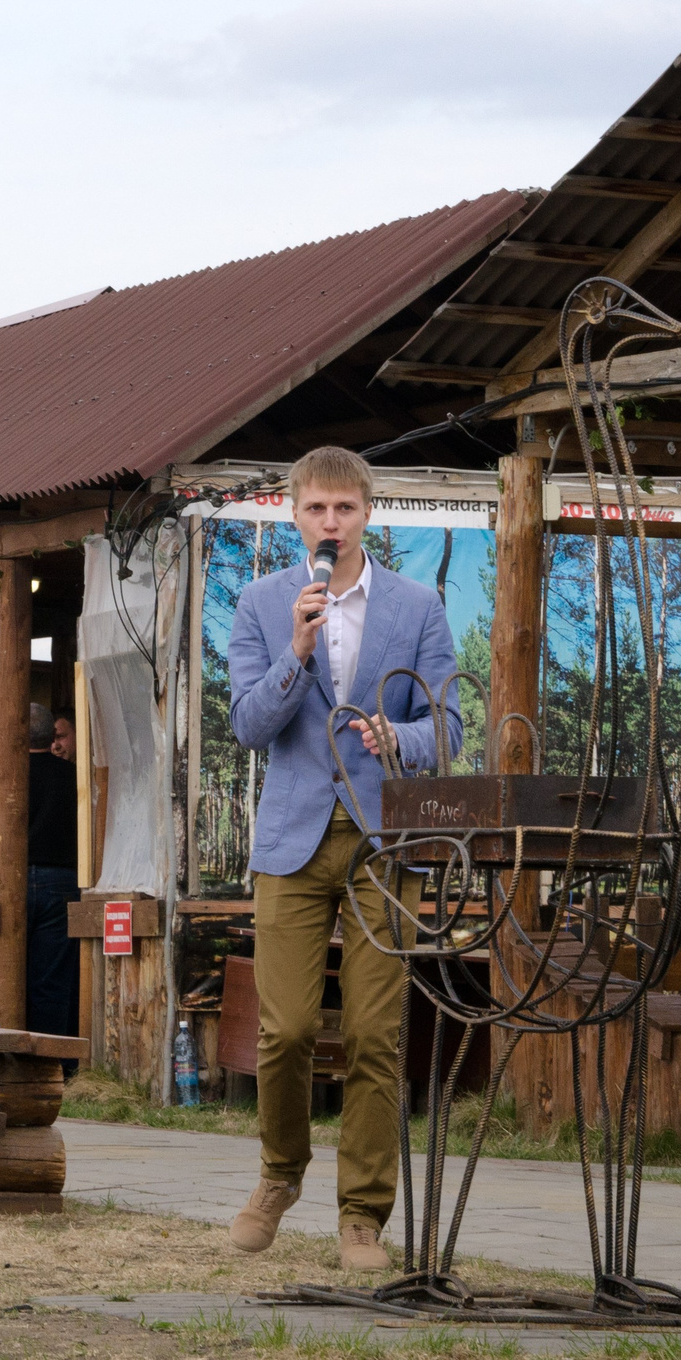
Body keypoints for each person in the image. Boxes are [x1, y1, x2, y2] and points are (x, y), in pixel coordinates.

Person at [226, 446, 459, 1272]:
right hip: (291, 842)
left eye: (345, 510)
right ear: (295, 516)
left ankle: (362, 1217)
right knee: (284, 1030)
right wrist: (295, 651)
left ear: (369, 513)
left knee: (374, 1035)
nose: (331, 524)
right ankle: (279, 1176)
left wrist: (404, 736)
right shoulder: (261, 603)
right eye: (317, 511)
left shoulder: (417, 605)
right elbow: (249, 727)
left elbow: (451, 725)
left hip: (380, 843)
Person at [0, 705, 83, 1062]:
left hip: (9, 883)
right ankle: (48, 1067)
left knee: (5, 975)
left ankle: (2, 1061)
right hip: (63, 883)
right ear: (51, 737)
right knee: (52, 982)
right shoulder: (72, 777)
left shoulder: (3, 774)